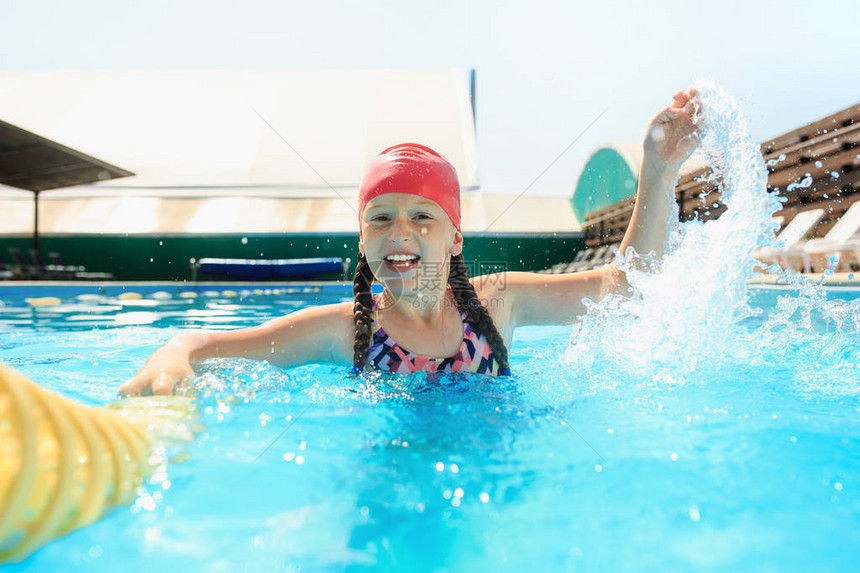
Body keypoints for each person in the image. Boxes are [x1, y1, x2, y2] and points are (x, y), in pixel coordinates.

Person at [118, 88, 700, 397]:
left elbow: (626, 290)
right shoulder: (344, 329)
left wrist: (657, 172)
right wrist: (171, 358)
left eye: (423, 216)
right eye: (380, 218)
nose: (400, 233)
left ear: (454, 237)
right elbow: (203, 343)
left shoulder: (499, 303)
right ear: (363, 237)